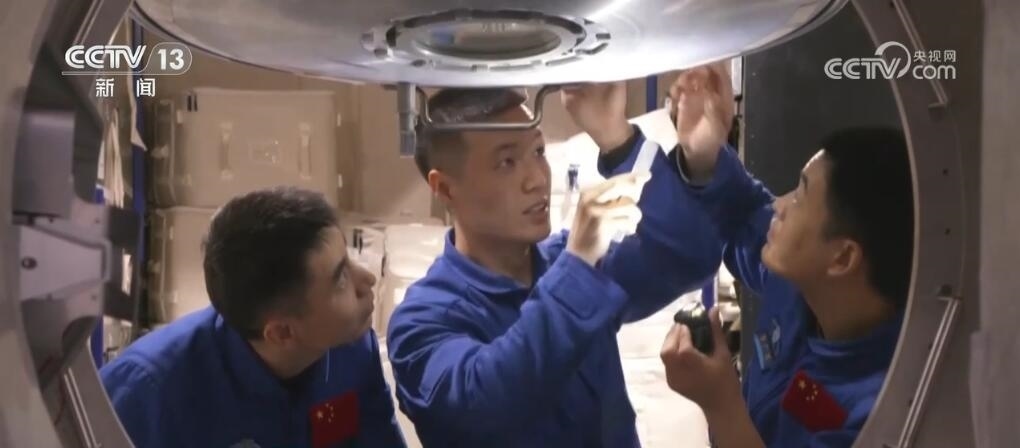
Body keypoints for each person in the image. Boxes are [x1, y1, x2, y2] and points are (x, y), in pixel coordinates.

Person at [384, 85, 724, 447]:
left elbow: (692, 255)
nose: (537, 179)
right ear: (445, 188)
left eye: (538, 151)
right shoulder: (421, 322)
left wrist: (618, 139)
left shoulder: (571, 263)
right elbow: (485, 405)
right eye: (506, 162)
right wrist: (576, 268)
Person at [657, 62, 913, 447]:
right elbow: (745, 214)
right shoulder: (803, 285)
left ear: (842, 259)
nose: (780, 205)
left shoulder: (882, 413)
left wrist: (721, 404)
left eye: (801, 196)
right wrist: (705, 152)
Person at [100, 187, 406, 448]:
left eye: (349, 259)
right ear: (282, 333)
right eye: (340, 279)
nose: (367, 280)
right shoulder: (146, 393)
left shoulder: (352, 349)